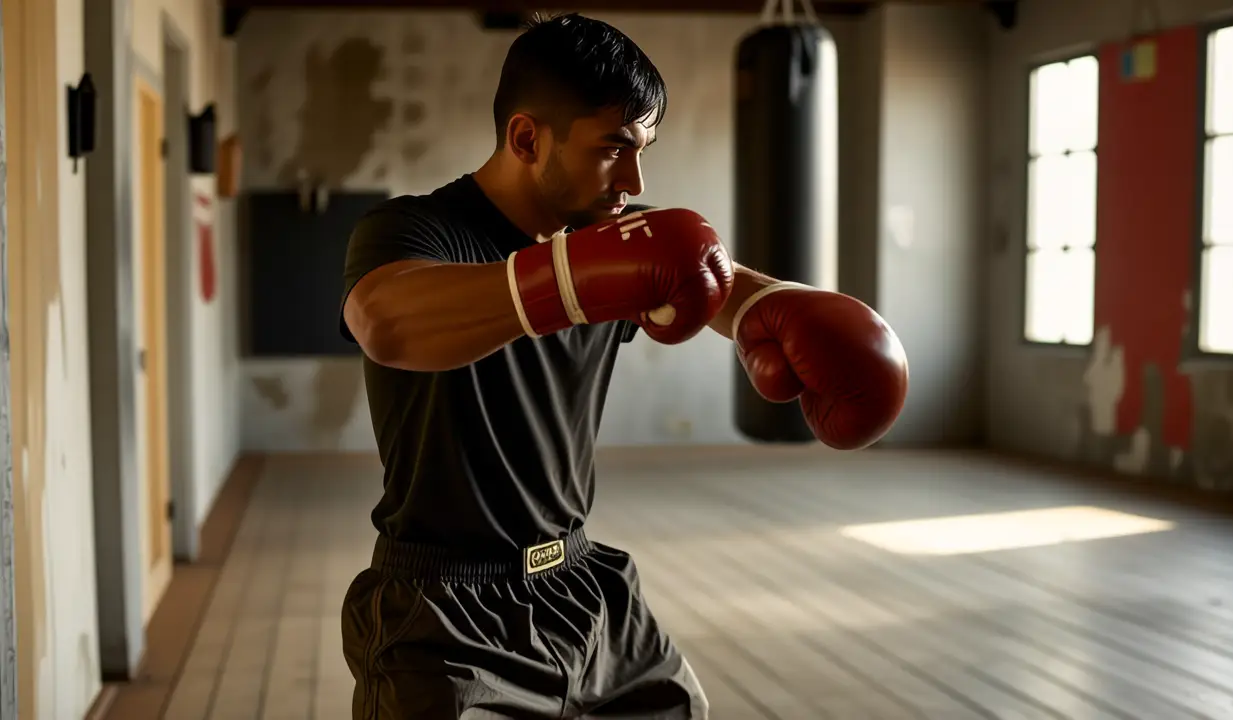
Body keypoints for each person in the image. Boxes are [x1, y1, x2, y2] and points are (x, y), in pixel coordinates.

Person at [337, 12, 908, 720]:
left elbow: (739, 295)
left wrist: (815, 316)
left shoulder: (618, 236)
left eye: (646, 148)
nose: (634, 177)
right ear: (526, 137)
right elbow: (385, 321)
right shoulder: (413, 229)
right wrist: (571, 279)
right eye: (614, 146)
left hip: (582, 586)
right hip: (443, 610)